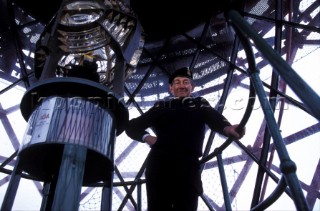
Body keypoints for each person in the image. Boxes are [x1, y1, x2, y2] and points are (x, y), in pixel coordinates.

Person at [125, 67, 245, 211]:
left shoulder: (200, 103)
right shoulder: (161, 106)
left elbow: (215, 119)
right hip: (160, 166)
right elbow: (132, 127)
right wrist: (147, 138)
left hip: (189, 167)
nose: (182, 85)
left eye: (186, 82)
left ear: (192, 87)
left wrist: (228, 128)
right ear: (171, 88)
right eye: (177, 82)